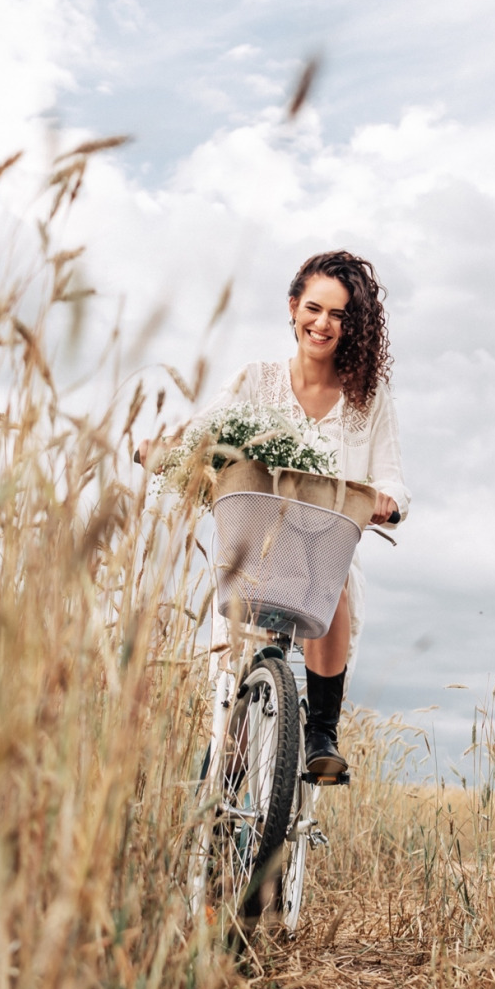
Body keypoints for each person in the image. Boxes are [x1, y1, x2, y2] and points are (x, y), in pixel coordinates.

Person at [155, 251, 410, 779]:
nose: (323, 324)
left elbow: (391, 476)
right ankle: (218, 806)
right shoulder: (257, 380)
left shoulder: (369, 398)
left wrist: (387, 501)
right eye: (314, 309)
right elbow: (202, 430)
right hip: (256, 550)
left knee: (333, 582)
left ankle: (321, 734)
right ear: (293, 307)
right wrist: (163, 448)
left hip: (326, 554)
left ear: (353, 325)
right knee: (233, 720)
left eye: (339, 315)